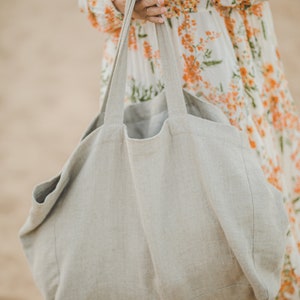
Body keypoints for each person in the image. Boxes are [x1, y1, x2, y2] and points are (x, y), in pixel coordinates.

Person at [78, 0, 300, 298]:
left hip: (223, 52)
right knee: (145, 215)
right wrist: (117, 3)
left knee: (241, 207)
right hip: (141, 60)